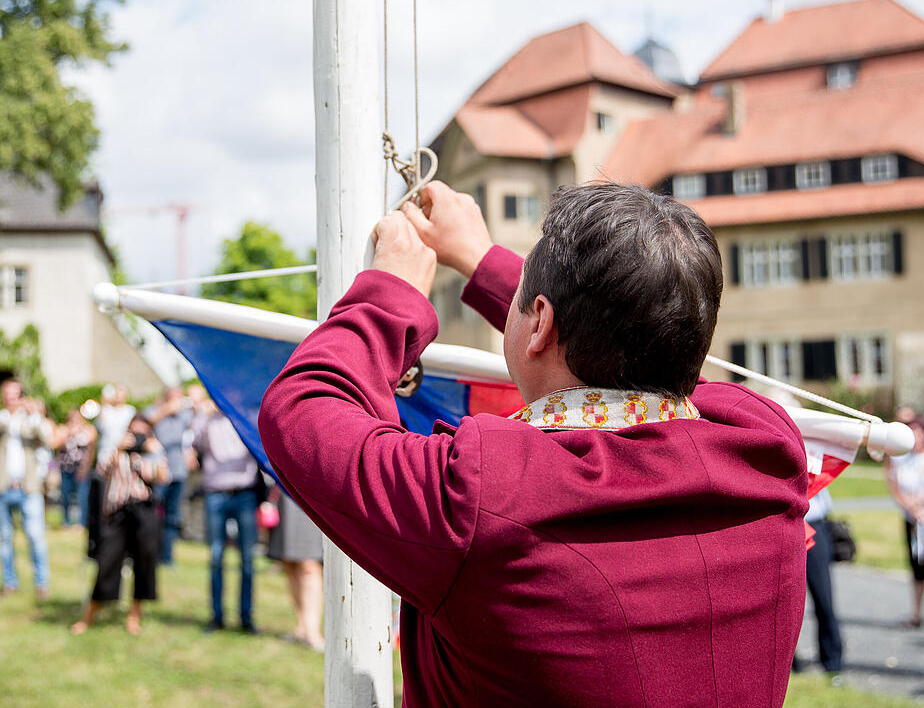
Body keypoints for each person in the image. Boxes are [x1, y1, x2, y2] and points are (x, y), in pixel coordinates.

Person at [259, 181, 809, 707]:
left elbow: (303, 409)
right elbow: (652, 361)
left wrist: (390, 295)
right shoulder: (765, 445)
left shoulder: (485, 494)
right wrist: (481, 260)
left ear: (540, 319)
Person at [71, 415, 168, 635]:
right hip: (117, 512)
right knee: (107, 560)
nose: (137, 438)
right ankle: (91, 612)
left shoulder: (152, 452)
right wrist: (119, 449)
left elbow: (161, 476)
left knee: (144, 562)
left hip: (144, 511)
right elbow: (101, 471)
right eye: (134, 433)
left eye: (142, 434)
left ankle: (134, 615)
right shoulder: (118, 451)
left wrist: (152, 452)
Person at [192, 399, 259, 633]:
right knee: (216, 556)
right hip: (216, 492)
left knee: (248, 558)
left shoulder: (245, 417)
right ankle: (216, 616)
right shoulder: (208, 420)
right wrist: (204, 413)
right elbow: (194, 442)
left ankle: (246, 618)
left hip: (244, 492)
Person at [885, 415, 924, 627]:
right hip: (914, 522)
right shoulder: (903, 460)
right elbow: (895, 485)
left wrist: (921, 500)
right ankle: (917, 614)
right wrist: (911, 507)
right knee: (917, 568)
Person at [0, 378, 53, 599]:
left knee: (35, 536)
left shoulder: (30, 420)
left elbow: (47, 438)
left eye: (14, 394)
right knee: (4, 539)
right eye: (7, 394)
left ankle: (42, 583)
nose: (11, 398)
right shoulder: (2, 418)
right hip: (3, 487)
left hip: (28, 488)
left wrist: (34, 414)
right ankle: (10, 582)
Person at [267, 490, 325, 651]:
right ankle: (301, 626)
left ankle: (313, 632)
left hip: (308, 495)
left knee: (309, 565)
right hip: (283, 496)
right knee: (290, 563)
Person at [146, 386, 194, 565]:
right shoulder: (154, 410)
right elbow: (147, 422)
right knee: (155, 513)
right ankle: (151, 552)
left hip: (178, 471)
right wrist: (165, 411)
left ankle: (167, 557)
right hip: (160, 470)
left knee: (172, 516)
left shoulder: (184, 415)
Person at [797, 488, 843, 674]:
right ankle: (788, 663)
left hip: (814, 523)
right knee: (783, 601)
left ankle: (832, 660)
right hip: (785, 522)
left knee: (823, 597)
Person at [54, 410, 98, 529]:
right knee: (65, 494)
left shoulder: (88, 429)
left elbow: (92, 446)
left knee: (82, 496)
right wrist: (69, 433)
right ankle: (66, 521)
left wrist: (86, 467)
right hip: (66, 468)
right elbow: (56, 444)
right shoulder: (64, 429)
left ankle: (82, 522)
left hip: (82, 468)